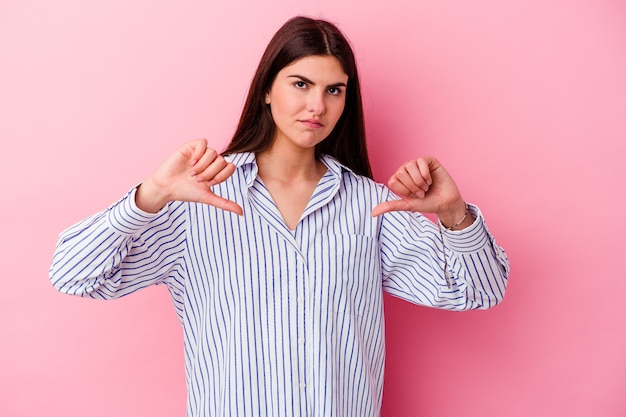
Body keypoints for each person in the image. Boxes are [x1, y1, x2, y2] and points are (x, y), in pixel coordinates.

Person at [50, 15, 509, 417]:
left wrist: (454, 213)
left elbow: (479, 292)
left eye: (334, 90)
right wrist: (149, 197)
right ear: (267, 89)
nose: (317, 106)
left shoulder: (371, 207)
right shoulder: (197, 202)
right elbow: (72, 275)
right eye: (301, 84)